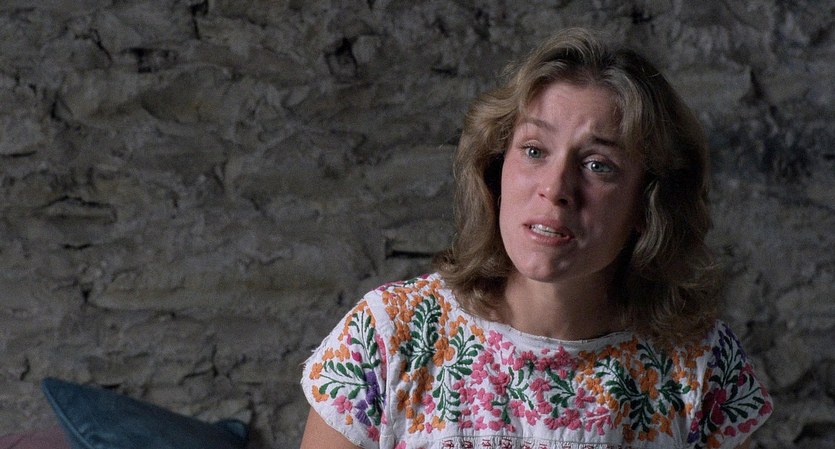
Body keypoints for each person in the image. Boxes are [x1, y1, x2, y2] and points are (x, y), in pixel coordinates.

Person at [299, 27, 772, 449]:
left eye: (598, 165)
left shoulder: (700, 364)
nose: (555, 187)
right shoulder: (386, 337)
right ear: (496, 169)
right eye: (533, 150)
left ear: (648, 204)